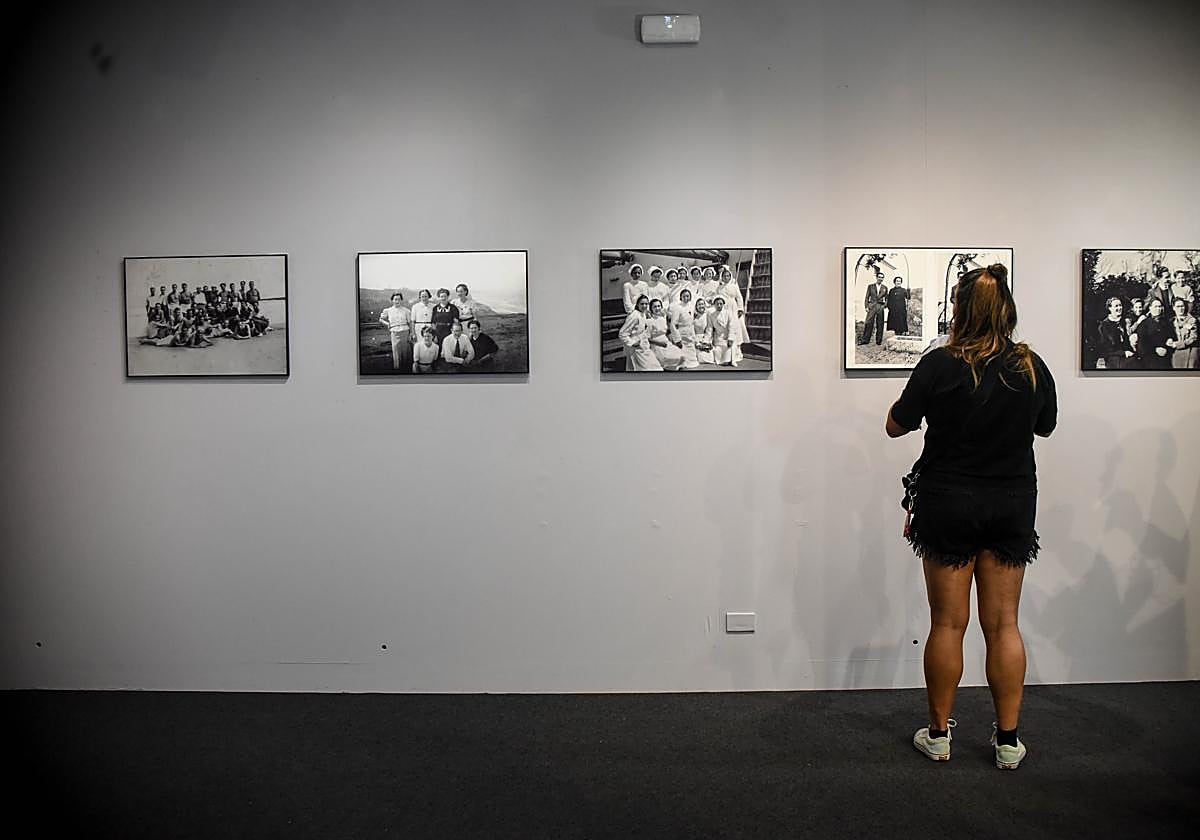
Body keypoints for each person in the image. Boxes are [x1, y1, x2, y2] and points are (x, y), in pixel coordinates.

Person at [885, 263, 1056, 772]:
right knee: (1004, 624)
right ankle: (1007, 742)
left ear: (959, 309)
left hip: (948, 501)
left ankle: (938, 736)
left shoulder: (939, 364)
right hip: (1010, 502)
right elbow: (1045, 427)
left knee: (947, 623)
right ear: (1007, 309)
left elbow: (896, 426)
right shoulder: (1030, 366)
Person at [618, 295, 662, 372]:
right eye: (642, 304)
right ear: (637, 304)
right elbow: (622, 333)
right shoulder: (634, 316)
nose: (644, 306)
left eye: (646, 304)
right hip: (636, 347)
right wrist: (632, 342)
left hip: (643, 345)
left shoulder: (642, 314)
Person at [714, 265, 745, 365]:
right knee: (725, 327)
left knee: (735, 328)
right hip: (724, 308)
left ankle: (737, 352)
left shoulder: (734, 286)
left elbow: (739, 298)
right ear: (722, 277)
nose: (726, 278)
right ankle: (725, 353)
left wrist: (740, 308)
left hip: (733, 307)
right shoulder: (719, 287)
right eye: (724, 276)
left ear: (730, 276)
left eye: (728, 276)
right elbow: (717, 297)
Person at [1095, 297, 1134, 370]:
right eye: (1116, 306)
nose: (1119, 308)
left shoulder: (1124, 321)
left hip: (1128, 355)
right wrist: (1123, 353)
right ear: (1110, 308)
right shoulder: (1104, 325)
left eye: (1120, 305)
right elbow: (1105, 349)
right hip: (1113, 357)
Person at [379, 292, 414, 371]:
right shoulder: (388, 310)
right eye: (395, 299)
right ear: (392, 300)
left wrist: (411, 333)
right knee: (396, 352)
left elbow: (410, 323)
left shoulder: (406, 311)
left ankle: (406, 369)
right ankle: (398, 370)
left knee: (405, 352)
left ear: (401, 300)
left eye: (399, 299)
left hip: (405, 332)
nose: (397, 301)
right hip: (395, 333)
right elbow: (380, 319)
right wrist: (388, 324)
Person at [646, 298, 684, 371]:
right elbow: (647, 338)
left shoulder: (662, 319)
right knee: (671, 358)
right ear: (651, 309)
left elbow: (666, 333)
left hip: (666, 343)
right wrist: (660, 344)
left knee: (681, 355)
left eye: (659, 306)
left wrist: (673, 342)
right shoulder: (649, 321)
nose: (657, 308)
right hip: (656, 345)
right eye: (655, 307)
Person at [1133, 298, 1171, 369]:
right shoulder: (1144, 323)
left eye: (1160, 306)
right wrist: (1155, 350)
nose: (1158, 309)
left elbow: (1171, 336)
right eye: (1155, 307)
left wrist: (1169, 341)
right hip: (1150, 356)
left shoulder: (1166, 322)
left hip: (1166, 355)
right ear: (1150, 308)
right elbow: (1142, 344)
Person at [668, 288, 700, 369]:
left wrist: (693, 335)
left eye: (688, 296)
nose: (686, 298)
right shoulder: (677, 308)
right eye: (684, 296)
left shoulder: (691, 307)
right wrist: (677, 339)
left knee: (692, 356)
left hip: (690, 332)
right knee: (682, 354)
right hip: (681, 333)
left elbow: (692, 321)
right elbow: (673, 325)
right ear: (681, 297)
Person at [707, 296, 738, 366]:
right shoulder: (711, 315)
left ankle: (731, 360)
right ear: (714, 305)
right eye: (717, 304)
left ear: (723, 304)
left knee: (729, 349)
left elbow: (731, 326)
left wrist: (730, 338)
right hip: (718, 337)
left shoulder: (728, 313)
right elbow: (710, 328)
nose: (719, 305)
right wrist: (707, 340)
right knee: (718, 351)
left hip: (727, 336)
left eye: (721, 304)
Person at [1167, 298, 1197, 369]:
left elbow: (1193, 337)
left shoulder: (1191, 320)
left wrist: (1178, 344)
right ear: (1174, 308)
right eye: (1178, 306)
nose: (1180, 309)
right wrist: (1168, 341)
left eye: (1182, 306)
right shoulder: (1171, 321)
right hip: (1175, 354)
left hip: (1189, 353)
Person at [860, 271, 887, 346]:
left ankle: (879, 341)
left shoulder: (885, 288)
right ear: (876, 277)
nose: (880, 279)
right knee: (868, 323)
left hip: (880, 307)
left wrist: (884, 306)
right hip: (872, 306)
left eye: (882, 277)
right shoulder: (870, 286)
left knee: (880, 324)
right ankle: (865, 340)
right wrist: (866, 306)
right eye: (879, 277)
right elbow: (867, 297)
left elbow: (887, 298)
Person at [693, 297, 714, 365]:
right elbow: (692, 330)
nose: (701, 306)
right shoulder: (694, 317)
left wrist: (705, 341)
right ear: (696, 306)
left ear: (705, 305)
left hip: (705, 338)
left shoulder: (708, 316)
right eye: (699, 304)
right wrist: (696, 341)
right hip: (696, 338)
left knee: (706, 356)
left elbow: (709, 329)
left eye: (702, 304)